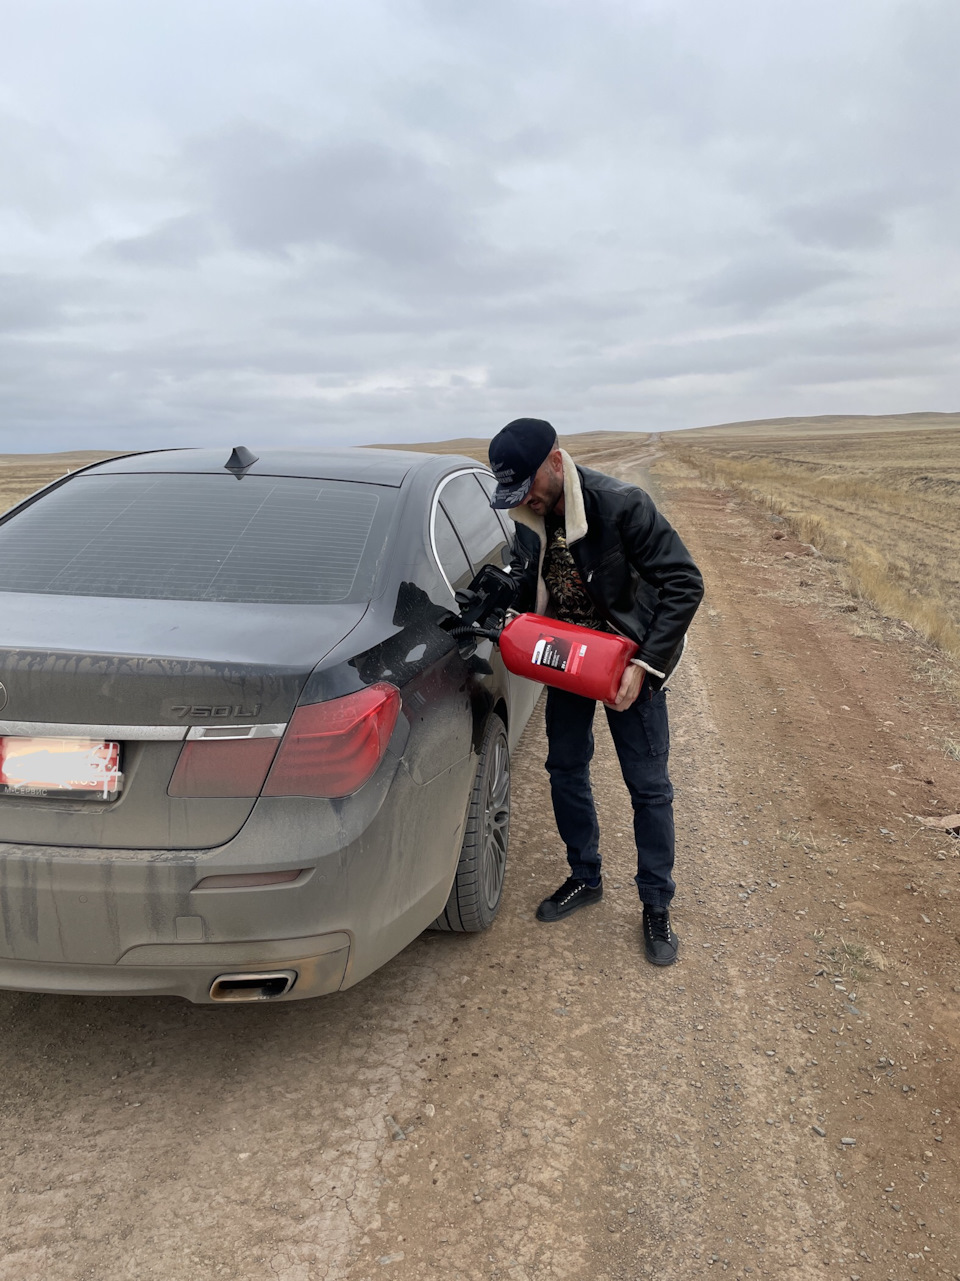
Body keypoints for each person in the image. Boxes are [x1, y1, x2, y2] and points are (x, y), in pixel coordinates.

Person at [488, 417, 703, 966]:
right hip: (567, 661)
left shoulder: (623, 505)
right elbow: (528, 581)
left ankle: (656, 904)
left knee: (649, 787)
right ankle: (585, 876)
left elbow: (685, 581)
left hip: (629, 663)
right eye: (516, 494)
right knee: (565, 768)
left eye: (530, 486)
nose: (527, 501)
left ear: (556, 462)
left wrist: (648, 664)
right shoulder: (529, 516)